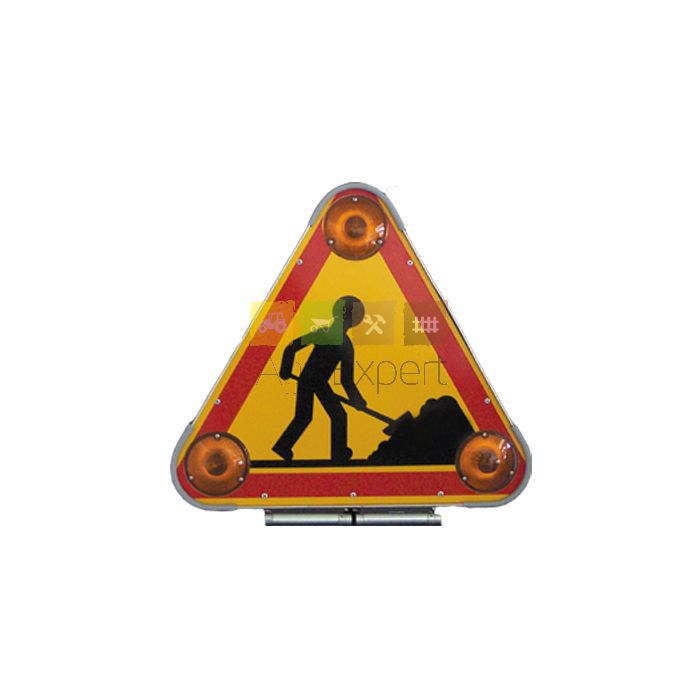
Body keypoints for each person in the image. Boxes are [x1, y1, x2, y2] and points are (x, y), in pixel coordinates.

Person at [272, 296, 367, 464]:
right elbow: (292, 347)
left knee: (310, 416)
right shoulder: (340, 342)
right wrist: (285, 369)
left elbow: (346, 380)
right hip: (310, 381)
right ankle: (337, 454)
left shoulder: (335, 339)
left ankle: (284, 446)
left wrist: (357, 400)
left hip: (316, 382)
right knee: (327, 416)